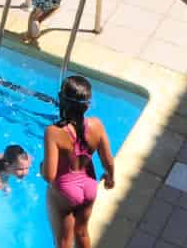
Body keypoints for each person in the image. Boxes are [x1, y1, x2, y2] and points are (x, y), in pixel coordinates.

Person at [44, 74, 115, 248]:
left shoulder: (53, 132)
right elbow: (108, 160)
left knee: (63, 242)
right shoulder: (97, 125)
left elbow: (49, 175)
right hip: (89, 187)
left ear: (61, 98)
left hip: (65, 192)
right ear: (87, 105)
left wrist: (41, 166)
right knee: (82, 232)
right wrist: (110, 177)